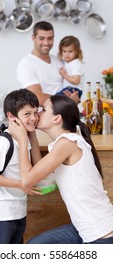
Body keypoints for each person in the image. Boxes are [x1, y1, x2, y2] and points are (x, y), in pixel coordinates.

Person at [8, 94, 113, 244]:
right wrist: (31, 136)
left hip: (101, 234)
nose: (37, 113)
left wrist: (22, 140)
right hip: (85, 228)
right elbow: (40, 174)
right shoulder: (65, 142)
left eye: (43, 109)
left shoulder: (67, 143)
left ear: (57, 118)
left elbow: (26, 181)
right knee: (35, 245)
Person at [0, 88, 41, 244]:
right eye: (27, 114)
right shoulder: (4, 143)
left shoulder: (23, 138)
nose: (33, 118)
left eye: (35, 112)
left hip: (19, 210)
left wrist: (31, 133)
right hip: (2, 213)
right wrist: (21, 184)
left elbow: (38, 165)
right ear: (11, 117)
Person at [16, 21, 80, 106]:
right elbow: (37, 98)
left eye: (50, 38)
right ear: (33, 38)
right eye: (41, 38)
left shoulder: (58, 61)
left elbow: (72, 86)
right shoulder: (26, 65)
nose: (46, 43)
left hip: (65, 114)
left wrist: (75, 98)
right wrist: (67, 100)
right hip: (44, 117)